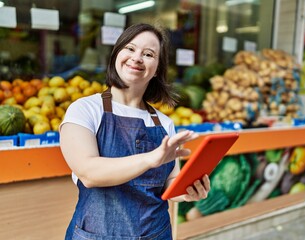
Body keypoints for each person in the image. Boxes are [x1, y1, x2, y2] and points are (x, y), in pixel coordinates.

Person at [59, 23, 210, 239]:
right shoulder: (85, 109)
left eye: (148, 54)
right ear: (116, 54)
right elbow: (88, 172)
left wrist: (187, 192)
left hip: (156, 234)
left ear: (157, 68)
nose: (137, 58)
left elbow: (170, 182)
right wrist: (151, 159)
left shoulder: (164, 123)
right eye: (130, 49)